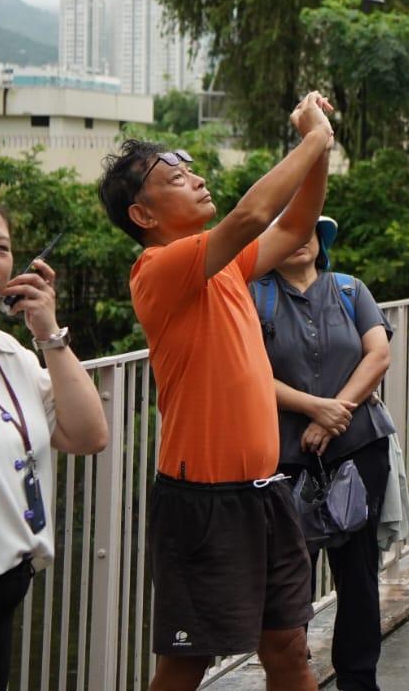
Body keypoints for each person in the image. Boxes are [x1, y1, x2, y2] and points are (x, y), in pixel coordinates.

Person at [96, 92, 334, 691]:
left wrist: (320, 146)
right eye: (178, 178)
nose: (198, 180)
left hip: (264, 490)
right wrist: (312, 138)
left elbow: (299, 224)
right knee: (184, 666)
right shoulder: (160, 268)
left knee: (289, 649)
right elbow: (253, 217)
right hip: (202, 502)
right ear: (144, 217)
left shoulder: (223, 264)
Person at [256, 217, 394, 691]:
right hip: (287, 458)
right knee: (291, 576)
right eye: (286, 234)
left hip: (358, 447)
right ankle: (296, 673)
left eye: (307, 232)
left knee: (358, 571)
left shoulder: (351, 290)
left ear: (321, 242)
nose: (298, 241)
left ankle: (358, 679)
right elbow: (250, 373)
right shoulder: (256, 296)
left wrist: (337, 412)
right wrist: (315, 410)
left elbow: (377, 354)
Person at [0, 198, 107, 691]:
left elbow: (87, 434)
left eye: (0, 247)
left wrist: (49, 335)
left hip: (2, 593)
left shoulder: (6, 352)